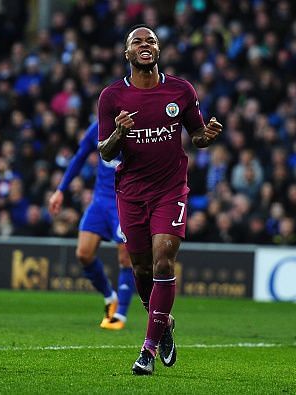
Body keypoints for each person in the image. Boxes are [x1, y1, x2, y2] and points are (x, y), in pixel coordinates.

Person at [97, 25, 223, 375]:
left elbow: (196, 134)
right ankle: (163, 324)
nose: (145, 45)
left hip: (170, 190)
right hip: (132, 193)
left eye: (150, 40)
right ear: (127, 54)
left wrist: (206, 136)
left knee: (164, 261)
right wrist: (120, 133)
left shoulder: (180, 90)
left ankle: (147, 350)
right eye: (137, 41)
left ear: (158, 49)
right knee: (141, 269)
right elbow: (106, 153)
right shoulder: (111, 97)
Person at [48, 121, 135, 330]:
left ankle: (120, 315)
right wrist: (61, 189)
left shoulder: (139, 127)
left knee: (126, 257)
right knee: (83, 254)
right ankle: (109, 295)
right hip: (100, 201)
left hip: (126, 200)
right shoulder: (98, 126)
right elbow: (79, 156)